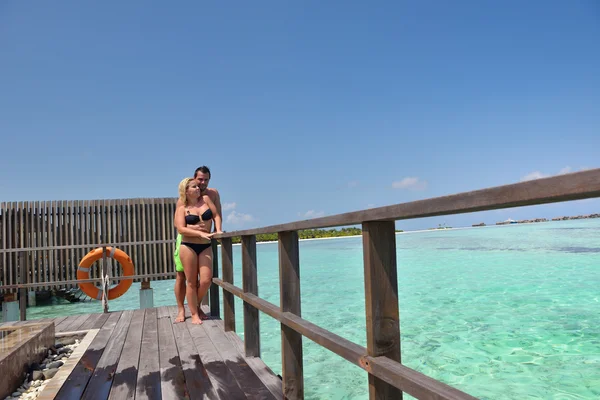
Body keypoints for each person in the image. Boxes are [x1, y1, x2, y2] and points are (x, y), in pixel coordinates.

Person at [173, 166, 222, 323]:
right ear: (194, 179)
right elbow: (180, 228)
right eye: (199, 180)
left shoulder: (211, 195)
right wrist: (199, 233)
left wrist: (218, 230)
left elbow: (217, 214)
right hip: (186, 242)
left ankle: (195, 305)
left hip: (206, 241)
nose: (202, 183)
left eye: (206, 179)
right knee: (184, 277)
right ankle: (183, 309)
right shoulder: (182, 203)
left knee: (206, 280)